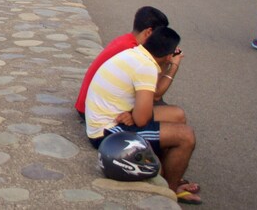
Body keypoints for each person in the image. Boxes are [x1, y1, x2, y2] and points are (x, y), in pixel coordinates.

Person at [85, 27, 200, 204]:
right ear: (169, 55)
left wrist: (134, 113)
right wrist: (174, 65)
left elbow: (150, 99)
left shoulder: (137, 54)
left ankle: (166, 172)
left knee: (177, 115)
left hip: (108, 118)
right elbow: (142, 118)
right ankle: (169, 191)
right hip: (106, 133)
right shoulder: (145, 67)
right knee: (186, 136)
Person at [75, 6, 172, 116]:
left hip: (87, 104)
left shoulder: (126, 40)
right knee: (169, 114)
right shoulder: (133, 52)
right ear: (149, 32)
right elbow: (155, 94)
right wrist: (172, 65)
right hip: (93, 111)